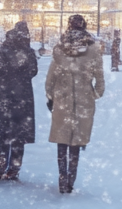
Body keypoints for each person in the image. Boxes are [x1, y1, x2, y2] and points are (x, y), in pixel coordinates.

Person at [45, 15, 104, 194]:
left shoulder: (59, 49)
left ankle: (62, 177)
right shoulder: (93, 50)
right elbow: (100, 80)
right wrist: (92, 94)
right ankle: (71, 178)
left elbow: (50, 78)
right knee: (76, 142)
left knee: (62, 141)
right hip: (83, 101)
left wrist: (51, 97)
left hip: (62, 100)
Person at [0, 21, 38, 182]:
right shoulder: (28, 52)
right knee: (18, 138)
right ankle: (13, 171)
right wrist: (20, 81)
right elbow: (33, 71)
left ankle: (0, 169)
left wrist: (4, 84)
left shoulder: (2, 51)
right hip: (22, 98)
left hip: (3, 98)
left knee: (3, 137)